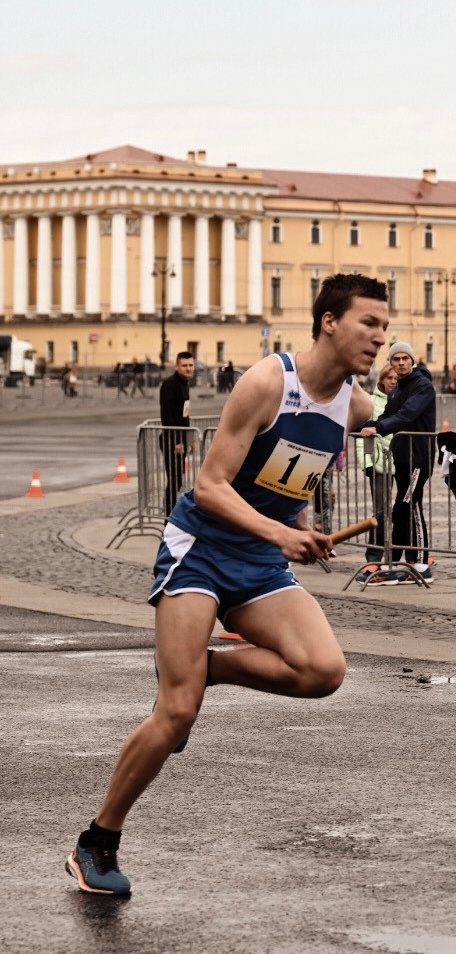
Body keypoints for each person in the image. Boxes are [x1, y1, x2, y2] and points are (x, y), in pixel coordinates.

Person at [66, 273, 387, 897]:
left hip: (259, 562)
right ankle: (97, 840)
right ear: (329, 321)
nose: (380, 336)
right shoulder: (271, 381)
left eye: (383, 324)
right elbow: (211, 487)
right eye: (368, 323)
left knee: (324, 671)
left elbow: (287, 479)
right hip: (202, 551)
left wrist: (302, 525)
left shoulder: (353, 405)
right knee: (177, 710)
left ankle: (206, 668)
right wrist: (279, 534)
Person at [359, 341, 437, 578]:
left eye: (405, 358)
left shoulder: (422, 387)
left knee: (406, 506)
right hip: (402, 456)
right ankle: (400, 562)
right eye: (396, 359)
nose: (401, 363)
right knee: (408, 507)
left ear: (412, 361)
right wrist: (367, 426)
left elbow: (407, 415)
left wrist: (379, 428)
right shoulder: (396, 389)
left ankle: (417, 563)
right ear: (391, 362)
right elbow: (386, 415)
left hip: (418, 457)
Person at [357, 362, 396, 574]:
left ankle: (401, 554)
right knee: (380, 511)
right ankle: (373, 556)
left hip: (401, 462)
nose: (393, 382)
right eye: (389, 378)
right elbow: (362, 438)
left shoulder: (402, 400)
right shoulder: (370, 403)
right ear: (381, 380)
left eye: (396, 379)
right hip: (379, 464)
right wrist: (367, 464)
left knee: (402, 512)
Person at [159, 351, 195, 517]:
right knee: (174, 481)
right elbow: (167, 415)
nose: (188, 368)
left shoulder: (184, 384)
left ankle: (171, 515)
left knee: (177, 480)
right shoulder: (170, 384)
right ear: (177, 366)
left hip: (180, 439)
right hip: (171, 440)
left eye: (191, 365)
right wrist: (177, 442)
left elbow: (184, 415)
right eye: (185, 365)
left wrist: (189, 439)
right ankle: (168, 518)